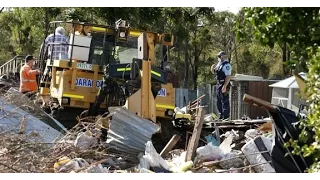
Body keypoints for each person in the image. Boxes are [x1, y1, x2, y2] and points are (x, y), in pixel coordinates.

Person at [212, 51, 232, 120]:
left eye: (219, 56)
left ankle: (226, 117)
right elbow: (217, 72)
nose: (218, 58)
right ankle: (221, 116)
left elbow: (228, 76)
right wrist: (213, 69)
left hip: (224, 83)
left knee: (225, 101)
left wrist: (225, 86)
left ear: (222, 57)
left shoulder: (226, 65)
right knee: (219, 101)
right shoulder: (220, 64)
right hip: (219, 84)